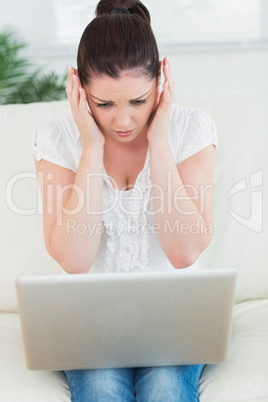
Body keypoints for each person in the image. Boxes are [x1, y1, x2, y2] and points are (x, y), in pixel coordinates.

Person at [32, 0, 218, 400]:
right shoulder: (56, 139)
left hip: (178, 323)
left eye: (138, 101)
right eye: (104, 104)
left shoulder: (191, 129)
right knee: (101, 391)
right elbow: (74, 260)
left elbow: (183, 253)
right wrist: (90, 148)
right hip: (91, 326)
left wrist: (160, 141)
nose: (123, 121)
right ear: (80, 89)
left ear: (161, 84)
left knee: (166, 389)